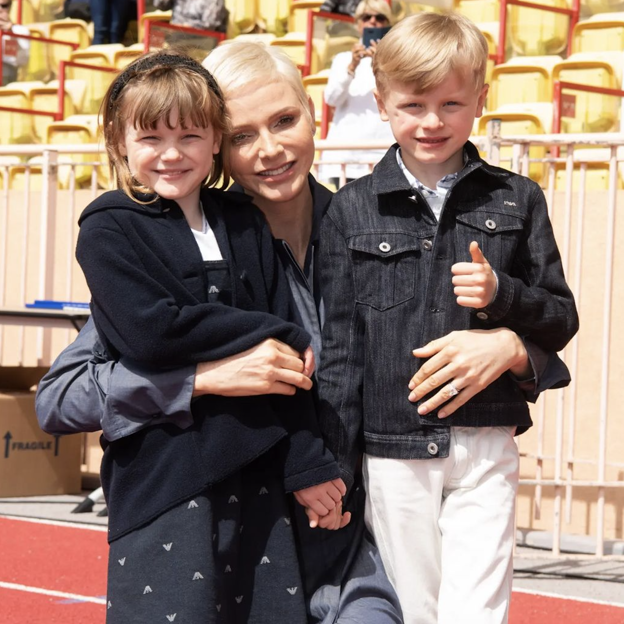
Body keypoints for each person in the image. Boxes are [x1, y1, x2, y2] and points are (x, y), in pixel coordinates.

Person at [37, 40, 570, 624]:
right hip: (240, 529)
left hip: (361, 536)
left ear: (314, 113)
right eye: (242, 135)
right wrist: (204, 379)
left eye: (284, 120)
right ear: (217, 143)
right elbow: (62, 397)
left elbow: (515, 326)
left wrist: (514, 348)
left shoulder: (376, 221)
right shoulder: (175, 251)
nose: (269, 150)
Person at [314, 11, 579, 624]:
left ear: (481, 101)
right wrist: (334, 460)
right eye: (412, 104)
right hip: (391, 448)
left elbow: (560, 317)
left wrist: (502, 295)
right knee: (413, 606)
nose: (432, 121)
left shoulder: (518, 197)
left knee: (477, 610)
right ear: (381, 103)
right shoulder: (351, 210)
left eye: (451, 103)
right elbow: (341, 350)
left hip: (487, 441)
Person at [70, 49, 351, 623]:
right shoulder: (108, 228)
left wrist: (306, 464)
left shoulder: (243, 221)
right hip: (164, 487)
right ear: (118, 140)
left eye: (191, 136)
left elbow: (288, 366)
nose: (172, 154)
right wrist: (268, 333)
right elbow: (153, 333)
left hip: (261, 481)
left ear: (212, 141)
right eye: (151, 137)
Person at [320, 0, 395, 188]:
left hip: (382, 155)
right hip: (344, 156)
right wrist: (352, 66)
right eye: (366, 17)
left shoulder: (396, 61)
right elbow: (331, 99)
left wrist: (380, 65)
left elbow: (401, 98)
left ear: (387, 24)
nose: (373, 21)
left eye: (379, 17)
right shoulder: (342, 59)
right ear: (358, 24)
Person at [0, 0, 29, 85]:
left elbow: (22, 61)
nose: (0, 9)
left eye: (4, 6)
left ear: (11, 6)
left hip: (6, 74)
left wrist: (10, 33)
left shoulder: (20, 31)